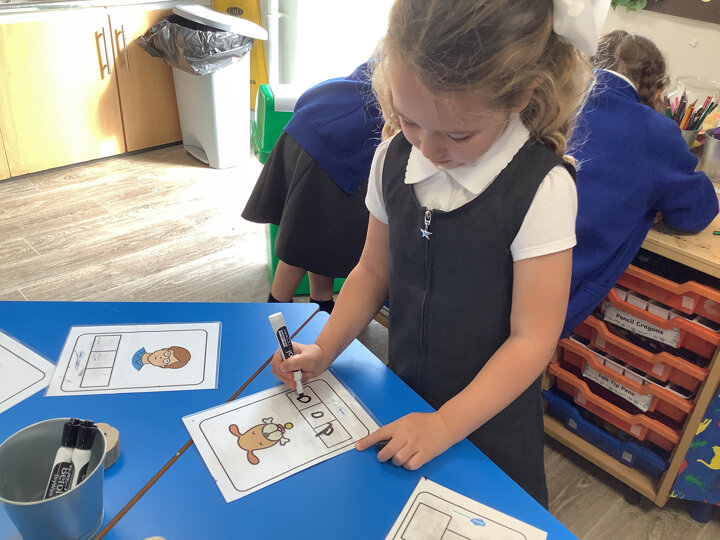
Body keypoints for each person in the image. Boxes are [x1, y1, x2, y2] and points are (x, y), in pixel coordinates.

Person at [271, 0, 610, 507]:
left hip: (489, 430)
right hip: (403, 398)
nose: (428, 149)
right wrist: (326, 347)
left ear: (521, 95)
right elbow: (371, 272)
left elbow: (532, 341)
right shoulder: (393, 158)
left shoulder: (542, 188)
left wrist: (445, 425)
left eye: (458, 134)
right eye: (410, 121)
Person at [562, 30, 719, 338]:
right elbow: (697, 212)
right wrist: (656, 200)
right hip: (567, 285)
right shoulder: (655, 131)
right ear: (658, 89)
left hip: (502, 266)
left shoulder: (561, 98)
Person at [242, 62, 384, 314]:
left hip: (316, 115)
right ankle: (275, 310)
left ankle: (321, 305)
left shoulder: (395, 50)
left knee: (320, 233)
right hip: (338, 140)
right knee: (303, 240)